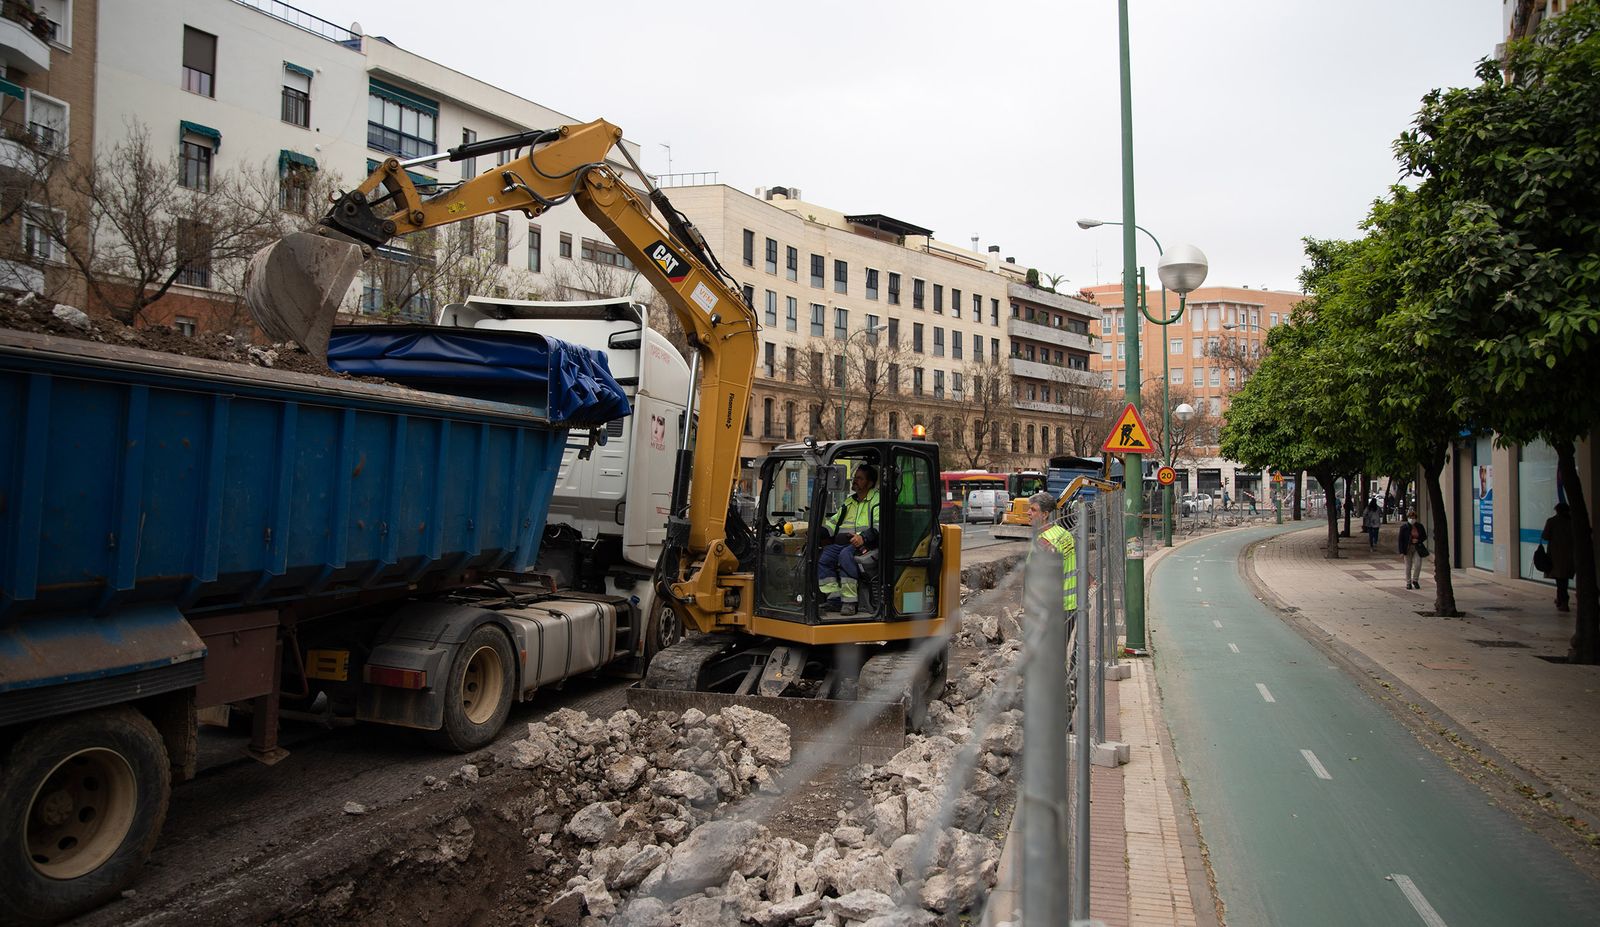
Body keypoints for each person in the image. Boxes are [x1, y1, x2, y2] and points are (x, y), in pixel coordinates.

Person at [817, 464, 880, 616]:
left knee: (845, 555)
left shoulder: (877, 501)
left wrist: (863, 537)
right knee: (824, 557)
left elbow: (879, 526)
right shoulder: (849, 502)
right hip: (845, 543)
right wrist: (817, 532)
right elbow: (833, 523)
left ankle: (850, 602)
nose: (855, 481)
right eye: (854, 478)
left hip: (868, 544)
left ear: (870, 483)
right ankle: (834, 599)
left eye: (859, 478)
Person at [1026, 492, 1077, 615]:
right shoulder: (1063, 533)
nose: (1028, 512)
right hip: (1071, 602)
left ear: (1044, 515)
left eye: (1033, 510)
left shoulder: (1043, 543)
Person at [1541, 502, 1576, 611]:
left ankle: (1563, 601)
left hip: (1555, 555)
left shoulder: (1552, 522)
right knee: (1563, 579)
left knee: (1560, 580)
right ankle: (1560, 599)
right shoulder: (1572, 522)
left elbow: (1545, 536)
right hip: (1570, 555)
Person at [1399, 510, 1428, 590]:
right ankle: (1408, 582)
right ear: (1408, 518)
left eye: (1413, 518)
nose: (1412, 519)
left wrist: (1418, 540)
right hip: (1407, 548)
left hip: (1417, 547)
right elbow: (1400, 540)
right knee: (1408, 566)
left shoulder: (1419, 526)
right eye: (1410, 518)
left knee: (1418, 564)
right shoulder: (1404, 527)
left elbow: (1424, 536)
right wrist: (1401, 551)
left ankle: (1415, 580)